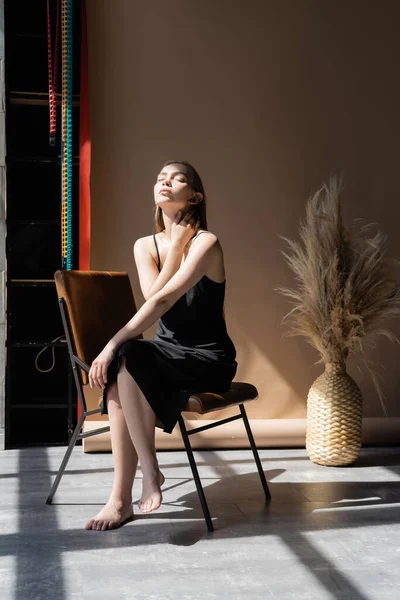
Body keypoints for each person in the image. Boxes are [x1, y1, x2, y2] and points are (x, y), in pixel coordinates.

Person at [85, 160, 237, 531]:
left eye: (177, 178)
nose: (165, 182)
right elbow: (154, 295)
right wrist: (173, 248)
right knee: (127, 362)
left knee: (124, 359)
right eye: (160, 178)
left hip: (206, 357)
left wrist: (111, 343)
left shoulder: (206, 242)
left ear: (195, 196)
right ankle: (137, 483)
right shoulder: (145, 245)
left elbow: (163, 301)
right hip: (166, 353)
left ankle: (127, 493)